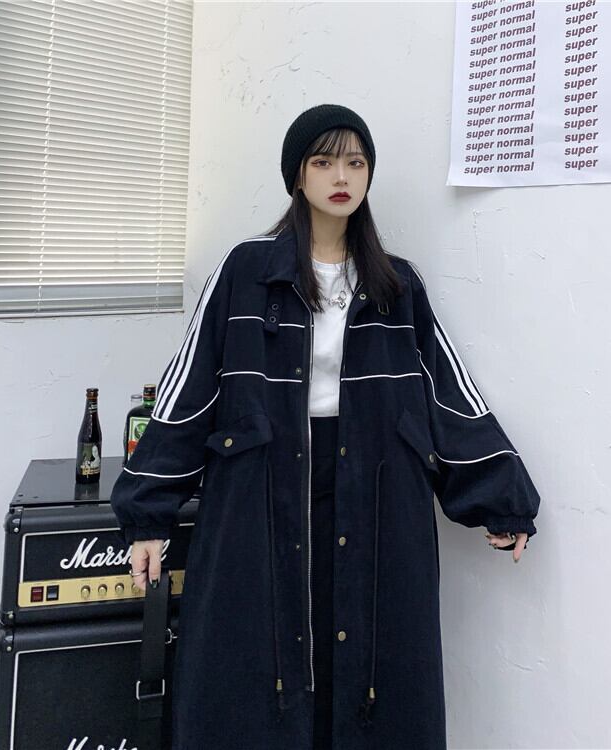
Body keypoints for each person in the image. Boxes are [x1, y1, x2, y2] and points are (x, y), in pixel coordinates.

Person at [111, 103, 541, 750]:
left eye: (356, 162)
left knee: (369, 664)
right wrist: (148, 513)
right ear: (298, 174)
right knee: (257, 659)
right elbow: (188, 390)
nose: (342, 176)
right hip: (262, 491)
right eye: (324, 161)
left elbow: (448, 396)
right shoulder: (246, 271)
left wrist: (499, 498)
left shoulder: (398, 285)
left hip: (375, 493)